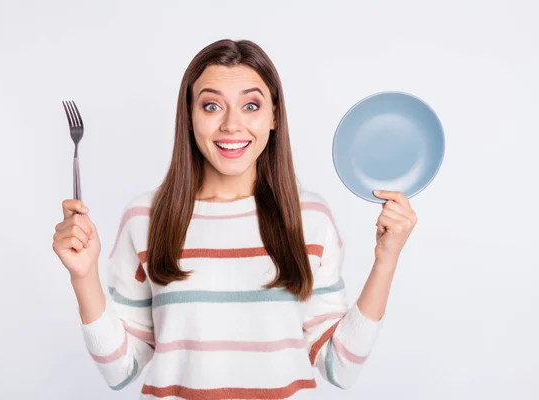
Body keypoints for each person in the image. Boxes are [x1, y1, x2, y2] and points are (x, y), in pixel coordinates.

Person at [52, 39, 418, 399]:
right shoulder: (146, 218)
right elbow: (120, 371)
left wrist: (386, 261)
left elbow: (340, 366)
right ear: (189, 116)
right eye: (211, 106)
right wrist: (83, 277)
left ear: (274, 115)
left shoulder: (311, 218)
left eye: (251, 105)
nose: (231, 125)